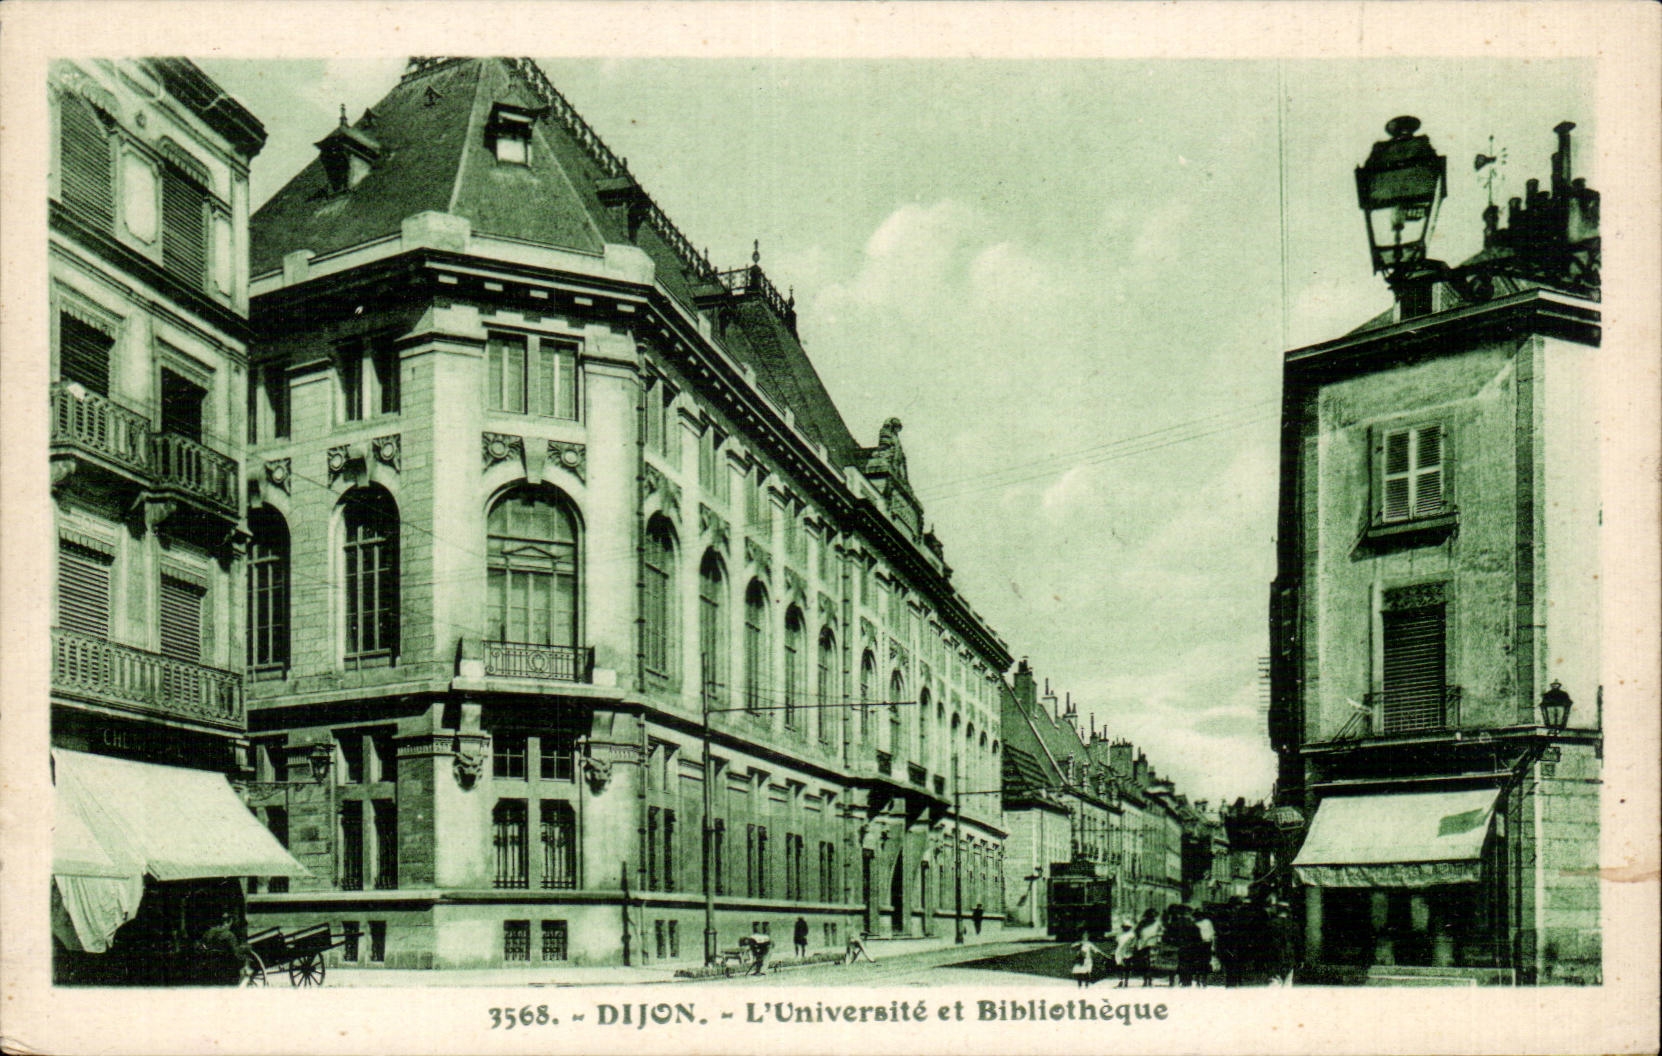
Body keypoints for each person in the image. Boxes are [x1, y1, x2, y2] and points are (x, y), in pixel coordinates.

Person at [1133, 908, 1162, 987]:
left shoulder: (1155, 923)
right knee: (1147, 962)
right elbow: (1136, 932)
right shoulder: (1145, 923)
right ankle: (1147, 979)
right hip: (1147, 944)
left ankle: (1148, 979)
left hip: (1149, 944)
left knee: (1148, 962)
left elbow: (1160, 933)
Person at [1193, 908, 1218, 988]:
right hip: (1198, 944)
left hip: (1207, 944)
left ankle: (1204, 980)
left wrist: (1213, 946)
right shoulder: (1195, 923)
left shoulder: (1207, 922)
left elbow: (1212, 934)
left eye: (1200, 914)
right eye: (1197, 915)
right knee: (1197, 963)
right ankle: (1197, 980)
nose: (1199, 916)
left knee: (1205, 962)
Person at [1112, 918, 1138, 987]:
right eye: (1124, 927)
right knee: (1119, 967)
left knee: (1127, 967)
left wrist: (1130, 947)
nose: (1125, 928)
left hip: (1127, 952)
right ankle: (1120, 981)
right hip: (1119, 952)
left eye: (1127, 927)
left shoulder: (1131, 934)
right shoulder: (1119, 934)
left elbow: (1134, 943)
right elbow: (1116, 942)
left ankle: (1126, 982)